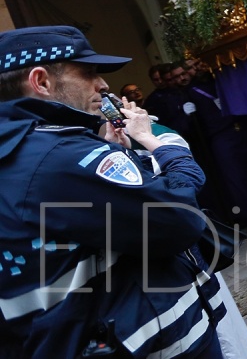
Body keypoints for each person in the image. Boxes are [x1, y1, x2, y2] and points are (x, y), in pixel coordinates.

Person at [0, 26, 226, 356]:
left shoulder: (27, 152)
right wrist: (162, 147)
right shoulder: (60, 156)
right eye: (89, 72)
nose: (103, 85)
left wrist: (115, 156)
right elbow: (180, 220)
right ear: (42, 82)